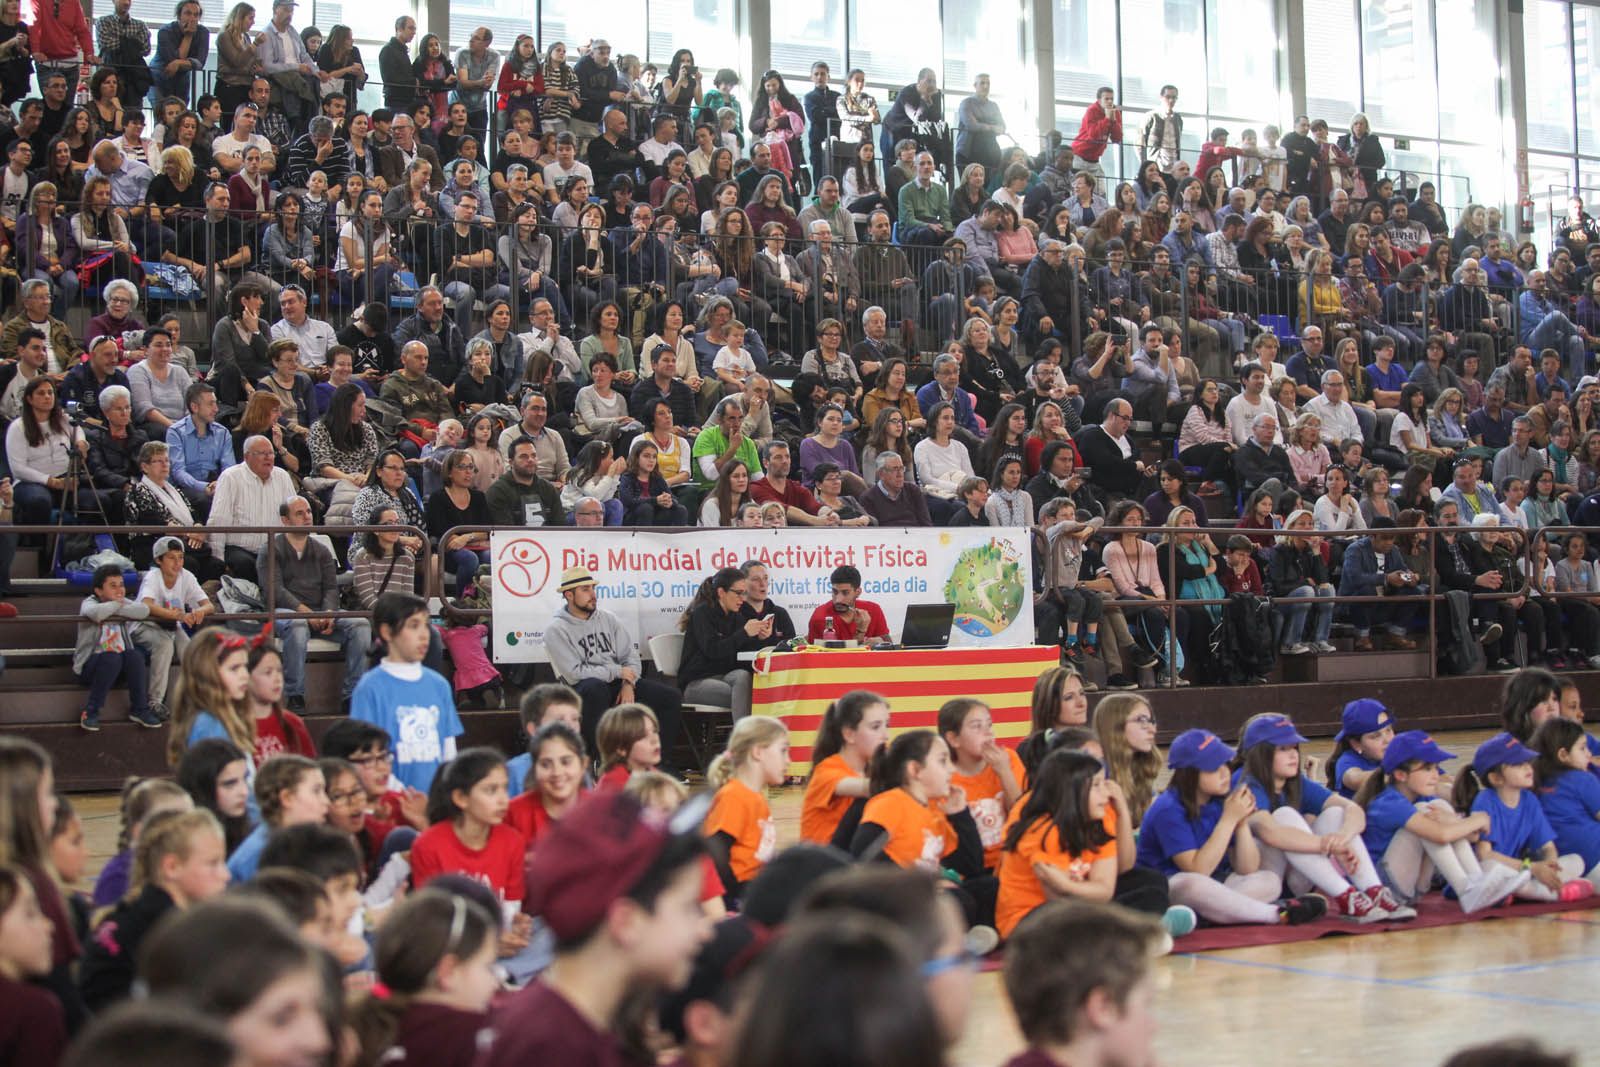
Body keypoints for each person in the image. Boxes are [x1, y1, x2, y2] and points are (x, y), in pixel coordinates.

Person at [544, 565, 683, 757]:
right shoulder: (556, 629)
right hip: (582, 689)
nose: (593, 594)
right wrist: (617, 672)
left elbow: (631, 657)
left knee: (670, 697)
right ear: (568, 595)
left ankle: (660, 763)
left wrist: (628, 683)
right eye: (585, 590)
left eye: (593, 588)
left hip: (620, 683)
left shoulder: (609, 619)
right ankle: (602, 761)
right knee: (595, 688)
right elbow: (573, 673)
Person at [261, 495, 370, 710]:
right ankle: (295, 695)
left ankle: (351, 695)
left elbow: (331, 587)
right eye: (299, 513)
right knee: (298, 625)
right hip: (285, 612)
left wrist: (328, 612)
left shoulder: (321, 549)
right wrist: (305, 613)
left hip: (320, 612)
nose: (307, 517)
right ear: (285, 520)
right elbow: (274, 589)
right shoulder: (271, 549)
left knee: (361, 625)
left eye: (309, 512)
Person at [806, 564, 890, 645]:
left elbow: (888, 640)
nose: (838, 599)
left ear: (857, 592)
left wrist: (881, 641)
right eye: (835, 592)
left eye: (845, 593)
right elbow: (837, 656)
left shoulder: (874, 609)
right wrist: (861, 631)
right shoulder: (821, 617)